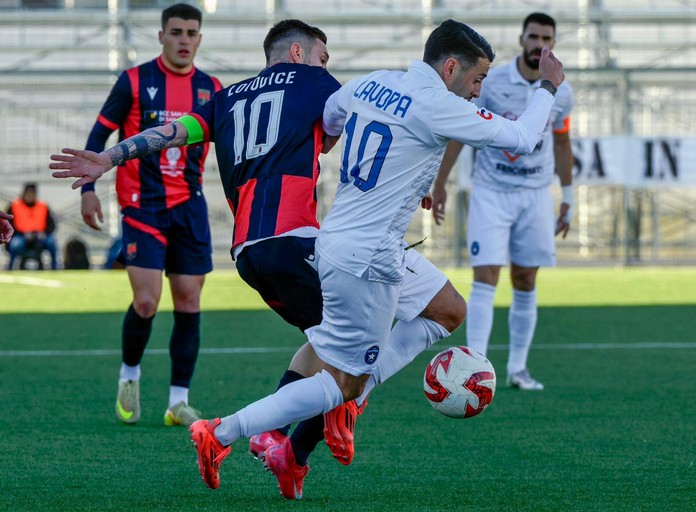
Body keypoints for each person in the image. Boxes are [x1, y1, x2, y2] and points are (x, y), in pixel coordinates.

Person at [52, 18, 564, 498]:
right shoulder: (341, 87)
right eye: (477, 79)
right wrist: (548, 86)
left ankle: (308, 433)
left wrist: (110, 157)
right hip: (348, 253)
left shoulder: (358, 84)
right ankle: (230, 432)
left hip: (317, 242)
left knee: (447, 310)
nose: (478, 90)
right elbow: (522, 137)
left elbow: (321, 124)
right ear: (451, 67)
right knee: (342, 381)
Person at [79, 3, 222, 427]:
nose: (183, 40)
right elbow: (99, 133)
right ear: (161, 36)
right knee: (146, 301)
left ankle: (178, 402)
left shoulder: (212, 88)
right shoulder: (134, 81)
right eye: (176, 32)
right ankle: (129, 375)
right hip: (143, 205)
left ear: (199, 38)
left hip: (190, 206)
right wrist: (88, 190)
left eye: (191, 33)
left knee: (189, 299)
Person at [431, 12, 574, 391]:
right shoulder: (492, 82)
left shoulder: (562, 91)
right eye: (534, 36)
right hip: (491, 192)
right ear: (522, 39)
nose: (540, 44)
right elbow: (460, 133)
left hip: (535, 194)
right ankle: (474, 368)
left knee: (526, 277)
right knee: (486, 275)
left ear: (553, 43)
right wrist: (441, 183)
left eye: (547, 38)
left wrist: (568, 197)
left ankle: (518, 368)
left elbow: (562, 143)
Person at [6, 183, 58, 270]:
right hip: (21, 235)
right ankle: (10, 267)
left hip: (40, 236)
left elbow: (51, 224)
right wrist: (20, 233)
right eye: (28, 193)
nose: (30, 196)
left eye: (32, 193)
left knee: (51, 242)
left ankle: (54, 267)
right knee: (15, 244)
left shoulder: (43, 206)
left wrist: (44, 233)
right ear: (24, 193)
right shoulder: (14, 205)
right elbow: (8, 224)